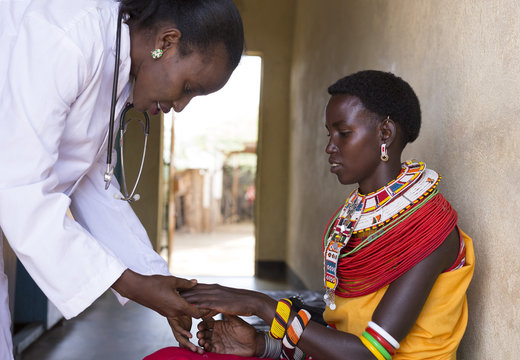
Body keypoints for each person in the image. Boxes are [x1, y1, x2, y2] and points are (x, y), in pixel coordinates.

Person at [147, 70, 475, 360]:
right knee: (167, 356)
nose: (330, 147)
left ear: (385, 134)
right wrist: (261, 344)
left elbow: (368, 353)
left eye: (343, 133)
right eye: (328, 134)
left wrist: (262, 305)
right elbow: (341, 332)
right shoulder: (359, 216)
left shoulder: (428, 228)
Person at [0, 0, 244, 358]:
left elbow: (93, 181)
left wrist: (156, 279)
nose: (181, 106)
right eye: (190, 86)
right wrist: (132, 284)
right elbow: (18, 188)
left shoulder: (118, 66)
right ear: (168, 41)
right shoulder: (70, 36)